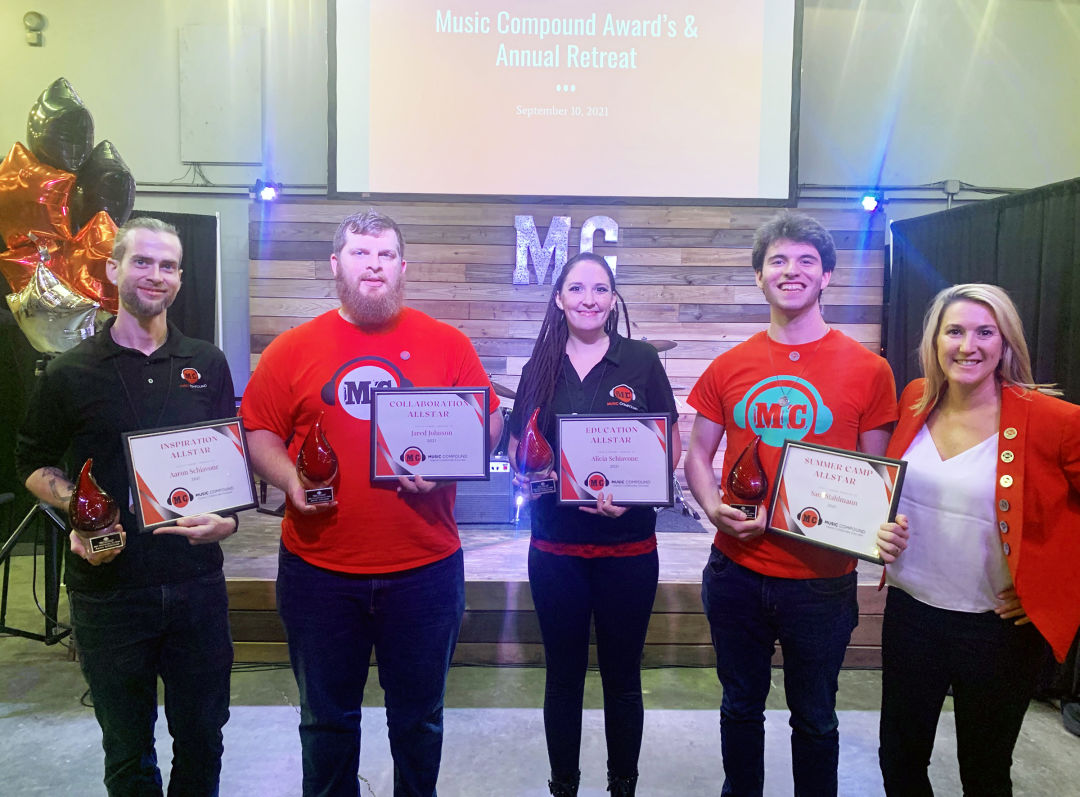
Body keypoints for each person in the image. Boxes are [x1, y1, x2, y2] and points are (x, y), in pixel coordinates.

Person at [241, 209, 503, 797]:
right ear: (337, 266)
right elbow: (257, 430)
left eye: (385, 255)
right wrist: (289, 480)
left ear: (403, 268)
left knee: (419, 721)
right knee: (327, 722)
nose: (374, 265)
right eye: (361, 254)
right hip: (318, 572)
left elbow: (488, 423)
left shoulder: (447, 343)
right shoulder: (293, 348)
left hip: (425, 570)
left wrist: (446, 462)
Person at [16, 217, 239, 796]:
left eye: (168, 266)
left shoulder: (207, 364)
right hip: (109, 591)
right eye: (143, 261)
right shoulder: (70, 373)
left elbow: (225, 469)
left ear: (181, 278)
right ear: (113, 269)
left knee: (202, 739)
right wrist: (79, 508)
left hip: (195, 585)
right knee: (127, 747)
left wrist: (229, 519)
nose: (155, 275)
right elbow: (32, 464)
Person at [684, 211, 898, 796]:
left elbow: (874, 479)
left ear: (826, 275)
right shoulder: (730, 365)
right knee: (738, 707)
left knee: (816, 719)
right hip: (736, 570)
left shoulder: (869, 370)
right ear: (759, 277)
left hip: (821, 581)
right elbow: (697, 455)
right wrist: (710, 506)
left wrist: (865, 526)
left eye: (806, 260)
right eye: (777, 260)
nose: (791, 270)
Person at [875, 283, 1080, 796]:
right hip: (911, 612)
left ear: (1006, 341)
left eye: (985, 332)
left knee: (984, 770)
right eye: (955, 331)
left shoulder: (1055, 420)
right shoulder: (915, 399)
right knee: (898, 758)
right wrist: (878, 528)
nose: (969, 345)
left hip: (997, 629)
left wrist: (1052, 594)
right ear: (935, 339)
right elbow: (900, 494)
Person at [507, 252, 681, 797]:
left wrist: (634, 493)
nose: (588, 299)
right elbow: (518, 452)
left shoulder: (643, 360)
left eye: (600, 289)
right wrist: (533, 478)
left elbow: (669, 442)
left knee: (624, 679)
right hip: (555, 548)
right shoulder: (539, 366)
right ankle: (564, 785)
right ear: (558, 297)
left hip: (628, 549)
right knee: (562, 679)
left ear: (613, 299)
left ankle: (622, 785)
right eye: (577, 288)